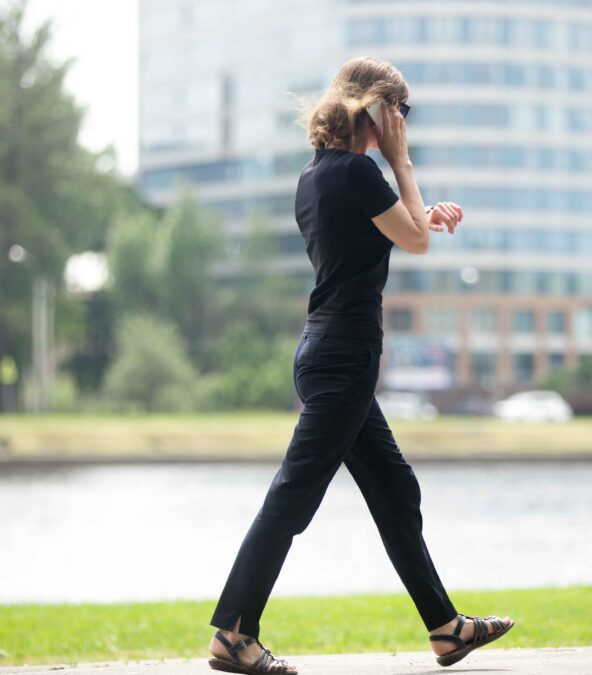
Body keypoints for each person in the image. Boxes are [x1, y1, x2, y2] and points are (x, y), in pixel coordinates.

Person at [206, 56, 515, 675]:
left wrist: (423, 212)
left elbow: (388, 232)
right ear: (376, 107)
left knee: (395, 488)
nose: (403, 122)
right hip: (345, 357)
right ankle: (233, 634)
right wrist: (403, 165)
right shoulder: (362, 170)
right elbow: (415, 241)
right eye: (401, 109)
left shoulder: (317, 175)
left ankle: (445, 628)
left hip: (325, 353)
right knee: (292, 496)